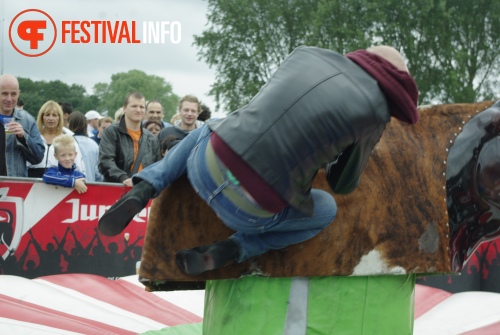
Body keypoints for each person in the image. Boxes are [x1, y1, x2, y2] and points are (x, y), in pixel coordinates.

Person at [98, 45, 419, 276]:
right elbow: (343, 182)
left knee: (216, 124)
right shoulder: (376, 114)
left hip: (202, 166)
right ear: (393, 91)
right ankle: (233, 250)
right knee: (326, 210)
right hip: (249, 211)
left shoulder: (306, 53)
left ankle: (144, 190)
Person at [98, 91, 161, 186]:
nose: (138, 110)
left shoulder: (152, 139)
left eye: (141, 107)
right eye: (134, 106)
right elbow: (105, 162)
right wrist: (123, 178)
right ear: (124, 108)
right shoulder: (112, 132)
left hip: (144, 192)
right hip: (116, 190)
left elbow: (157, 167)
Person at [27, 100, 86, 178]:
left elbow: (79, 166)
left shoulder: (68, 138)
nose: (51, 118)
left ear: (60, 118)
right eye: (47, 115)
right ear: (42, 117)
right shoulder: (33, 137)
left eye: (54, 115)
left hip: (61, 182)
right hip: (32, 182)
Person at [0, 74, 44, 177]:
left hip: (15, 187)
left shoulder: (27, 120)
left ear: (18, 94)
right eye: (5, 94)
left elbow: (38, 158)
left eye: (13, 94)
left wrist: (24, 137)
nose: (9, 99)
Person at [68, 111, 103, 182]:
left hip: (70, 185)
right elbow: (97, 172)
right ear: (85, 125)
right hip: (90, 185)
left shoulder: (66, 143)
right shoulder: (94, 144)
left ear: (70, 124)